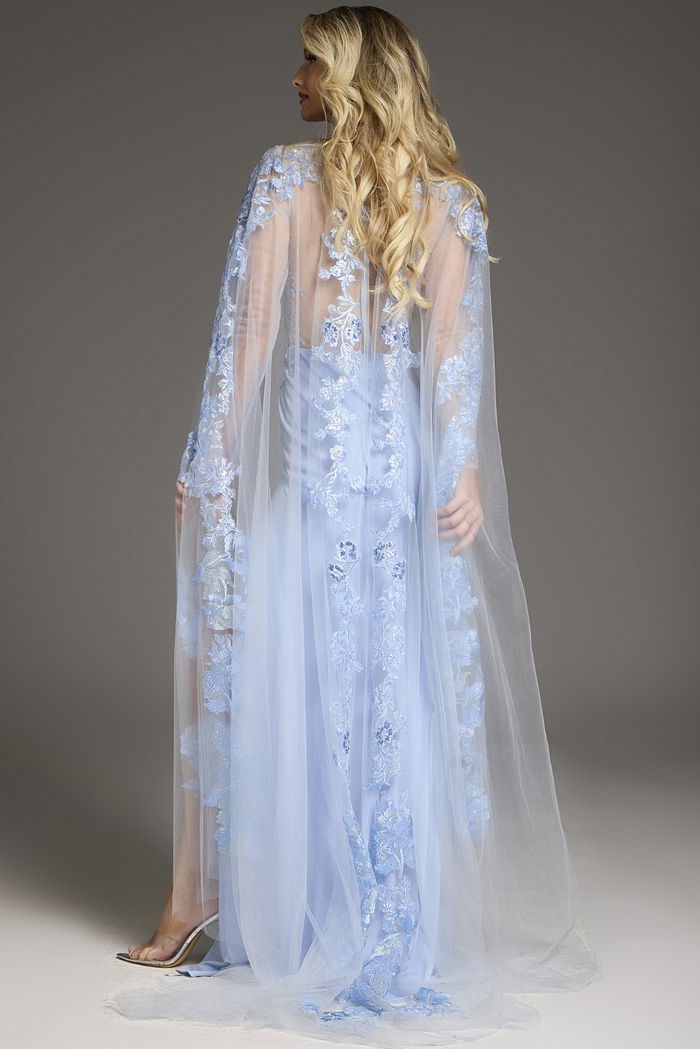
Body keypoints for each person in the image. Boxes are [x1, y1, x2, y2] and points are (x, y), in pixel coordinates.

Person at [109, 5, 601, 1043]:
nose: (293, 78)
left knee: (323, 676)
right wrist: (451, 467)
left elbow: (265, 334)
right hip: (385, 475)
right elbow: (435, 357)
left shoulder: (302, 182)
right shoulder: (422, 196)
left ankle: (254, 904)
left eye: (308, 61)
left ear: (345, 75)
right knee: (360, 680)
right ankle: (288, 901)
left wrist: (212, 455)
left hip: (349, 479)